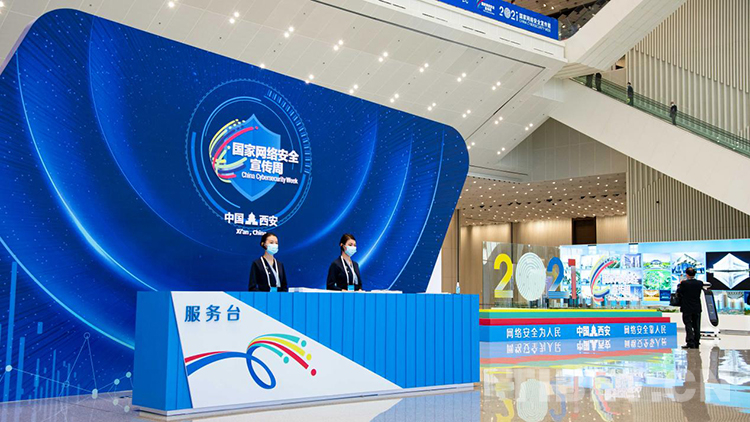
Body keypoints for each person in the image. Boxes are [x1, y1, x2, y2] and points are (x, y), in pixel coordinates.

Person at [676, 267, 703, 349]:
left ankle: (690, 342)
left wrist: (680, 284)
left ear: (687, 274)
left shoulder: (684, 283)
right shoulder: (700, 283)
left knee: (688, 324)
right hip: (697, 307)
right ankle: (697, 341)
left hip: (687, 307)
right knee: (696, 325)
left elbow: (679, 292)